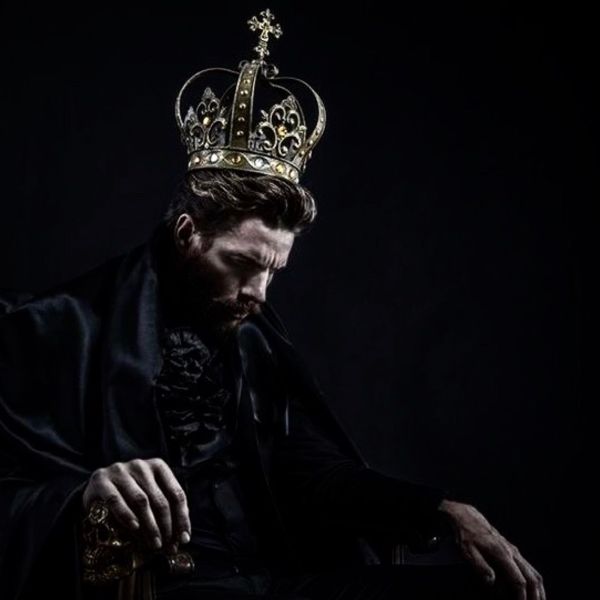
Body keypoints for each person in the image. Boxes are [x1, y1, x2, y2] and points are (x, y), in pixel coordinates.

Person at [0, 9, 545, 600]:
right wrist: (86, 491)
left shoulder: (254, 340)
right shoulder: (55, 327)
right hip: (176, 588)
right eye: (242, 264)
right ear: (187, 234)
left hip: (283, 579)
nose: (258, 293)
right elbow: (8, 490)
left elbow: (312, 471)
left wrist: (440, 509)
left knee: (488, 591)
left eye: (273, 271)